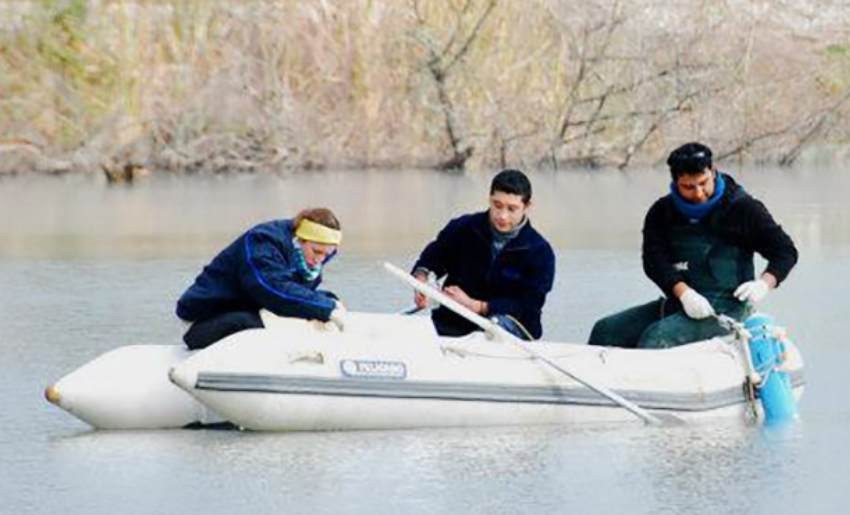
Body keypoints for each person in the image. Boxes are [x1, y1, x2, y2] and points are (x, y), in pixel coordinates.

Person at [588, 142, 798, 349]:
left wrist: (764, 283)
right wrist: (684, 294)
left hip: (727, 309)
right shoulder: (661, 212)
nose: (698, 193)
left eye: (703, 183)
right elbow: (654, 261)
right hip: (681, 302)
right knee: (605, 331)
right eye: (688, 187)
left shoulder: (743, 208)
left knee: (656, 338)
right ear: (675, 181)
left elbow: (785, 251)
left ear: (713, 172)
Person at [411, 169, 555, 340]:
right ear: (489, 199)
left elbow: (528, 304)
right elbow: (431, 260)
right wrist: (421, 280)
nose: (502, 216)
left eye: (512, 209)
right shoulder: (462, 228)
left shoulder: (540, 251)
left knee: (493, 329)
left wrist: (478, 306)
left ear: (527, 207)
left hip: (511, 330)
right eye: (497, 205)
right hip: (452, 324)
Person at [176, 208, 346, 349]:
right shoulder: (263, 240)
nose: (320, 259)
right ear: (300, 240)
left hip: (250, 306)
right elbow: (271, 289)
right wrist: (327, 308)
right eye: (316, 252)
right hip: (207, 318)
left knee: (329, 299)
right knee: (255, 322)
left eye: (327, 254)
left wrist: (330, 303)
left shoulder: (308, 258)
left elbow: (298, 292)